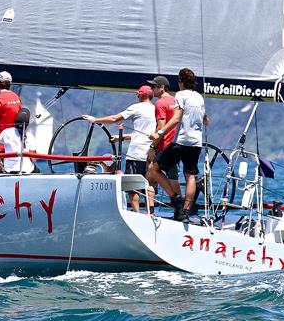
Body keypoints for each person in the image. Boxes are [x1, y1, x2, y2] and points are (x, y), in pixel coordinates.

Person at [149, 68, 210, 224]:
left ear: (181, 82)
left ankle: (176, 200)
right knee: (190, 175)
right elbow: (206, 120)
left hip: (181, 141)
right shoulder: (199, 97)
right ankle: (185, 211)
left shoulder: (181, 95)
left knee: (154, 168)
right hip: (196, 143)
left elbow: (176, 119)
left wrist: (159, 133)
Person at [83, 85, 155, 212]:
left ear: (142, 95)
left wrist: (95, 120)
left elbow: (114, 118)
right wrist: (121, 137)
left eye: (138, 94)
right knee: (148, 185)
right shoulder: (156, 110)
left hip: (136, 153)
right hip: (151, 153)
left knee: (133, 188)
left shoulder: (136, 107)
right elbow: (145, 133)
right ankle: (151, 214)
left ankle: (137, 214)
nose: (137, 96)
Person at [146, 75, 184, 215]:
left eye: (154, 86)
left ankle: (176, 201)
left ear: (162, 87)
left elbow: (160, 126)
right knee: (173, 177)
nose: (152, 89)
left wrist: (152, 147)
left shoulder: (160, 104)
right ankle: (180, 210)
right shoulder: (176, 101)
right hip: (177, 145)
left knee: (152, 170)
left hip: (164, 145)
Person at [0, 107, 37, 174]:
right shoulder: (30, 136)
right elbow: (34, 159)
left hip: (9, 170)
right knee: (37, 170)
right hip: (27, 170)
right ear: (27, 123)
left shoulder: (6, 132)